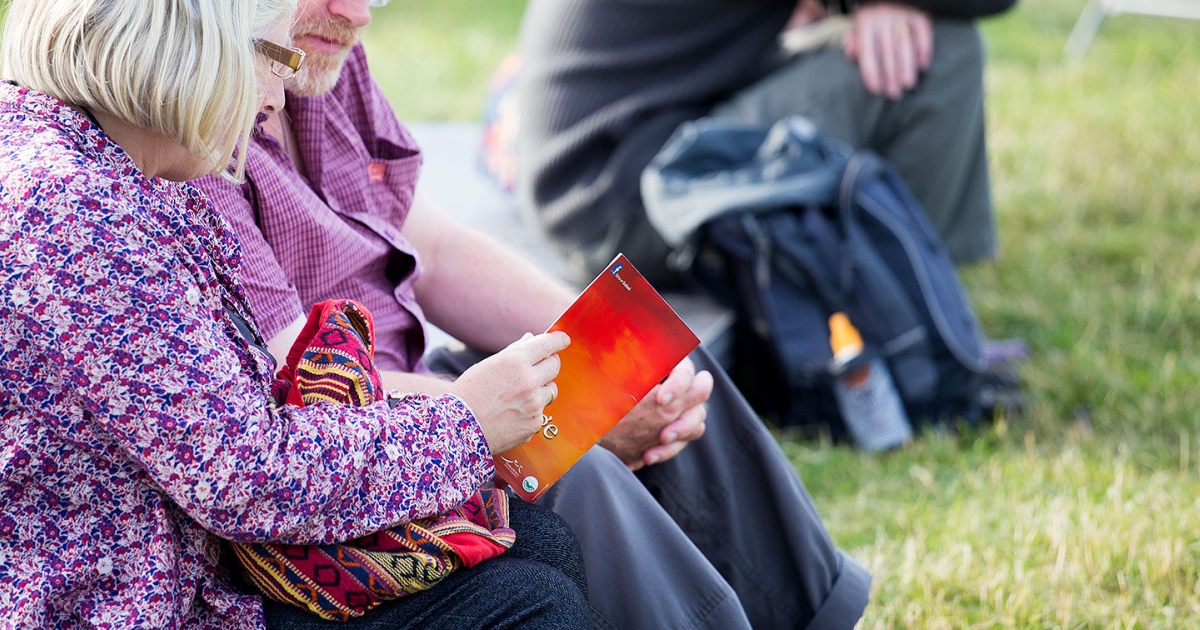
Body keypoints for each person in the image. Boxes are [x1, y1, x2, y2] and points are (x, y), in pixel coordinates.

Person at [0, 0, 589, 627]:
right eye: (268, 58)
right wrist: (468, 424)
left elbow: (237, 431)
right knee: (524, 602)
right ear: (189, 47)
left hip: (117, 576)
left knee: (528, 546)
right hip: (51, 606)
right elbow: (252, 480)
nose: (275, 96)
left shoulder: (92, 169)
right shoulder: (65, 211)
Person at [191, 0, 872, 627]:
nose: (359, 13)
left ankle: (822, 615)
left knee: (656, 359)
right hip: (346, 458)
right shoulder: (196, 116)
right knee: (580, 469)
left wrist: (609, 344)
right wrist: (553, 407)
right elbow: (293, 383)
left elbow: (436, 246)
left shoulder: (324, 56)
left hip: (413, 383)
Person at [515, 0, 1017, 286]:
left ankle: (918, 292)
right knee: (942, 51)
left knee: (890, 33)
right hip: (625, 200)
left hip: (600, 170)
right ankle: (913, 323)